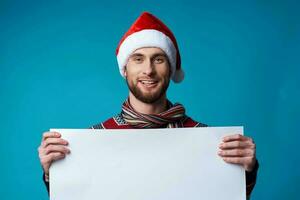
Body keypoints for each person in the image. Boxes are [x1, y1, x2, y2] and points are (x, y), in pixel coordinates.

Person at [38, 12, 258, 198]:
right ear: (125, 69)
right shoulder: (92, 140)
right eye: (138, 58)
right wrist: (55, 173)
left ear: (170, 70)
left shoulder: (208, 141)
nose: (149, 70)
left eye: (158, 59)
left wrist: (244, 172)